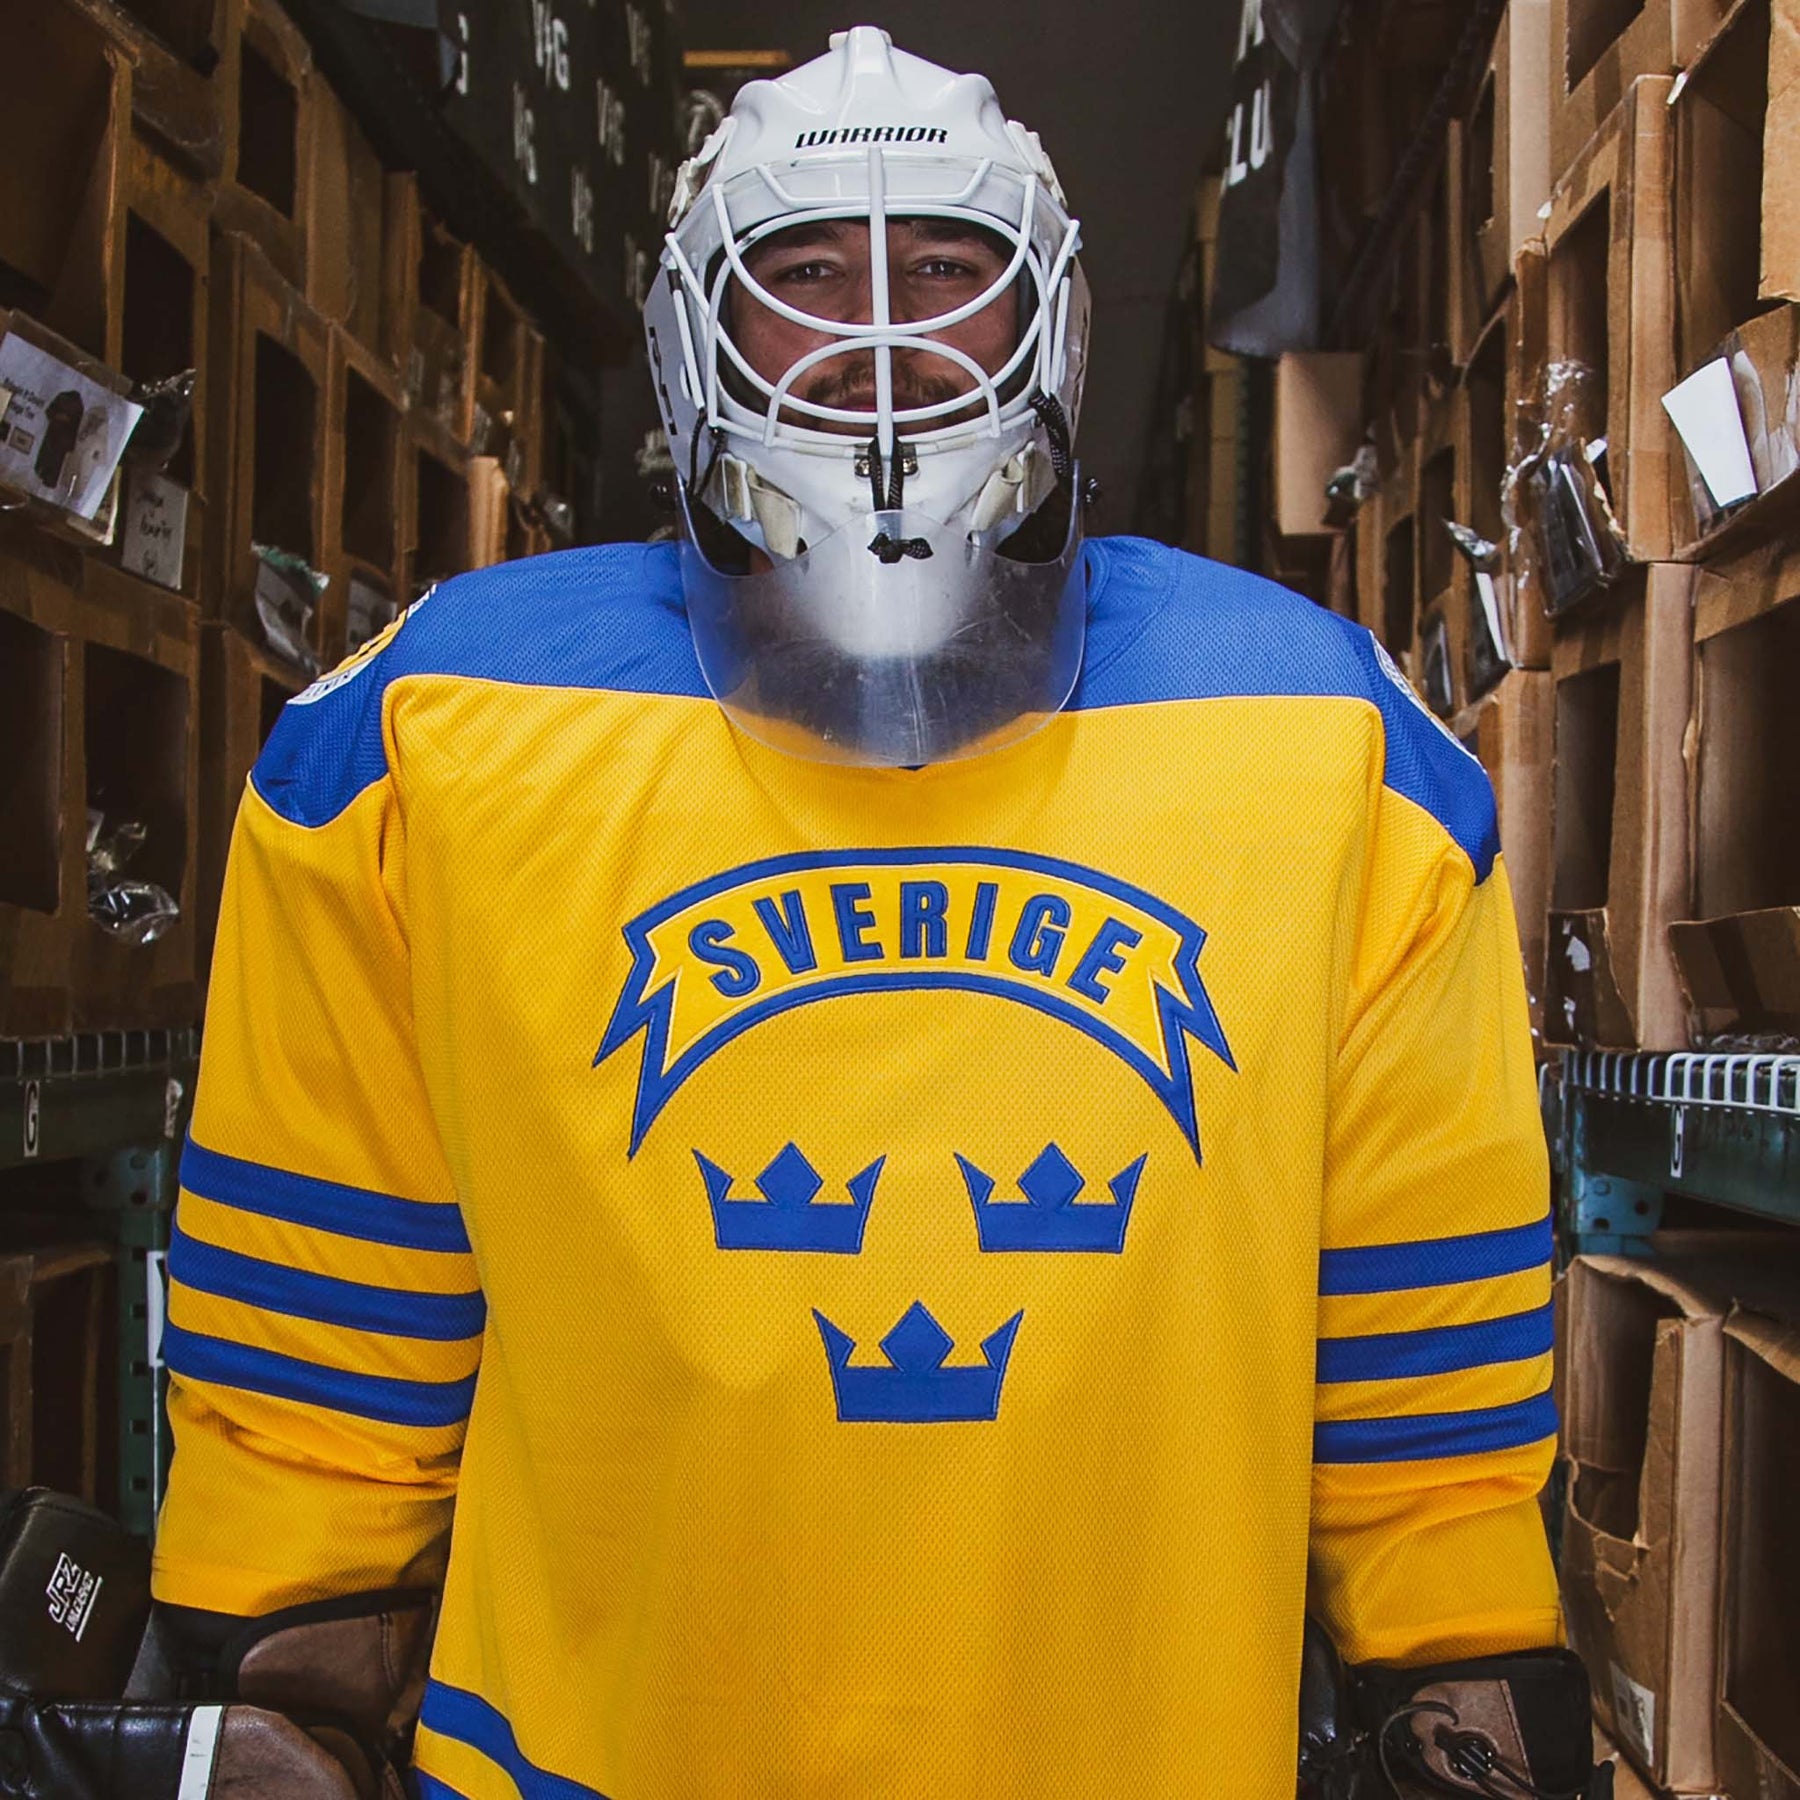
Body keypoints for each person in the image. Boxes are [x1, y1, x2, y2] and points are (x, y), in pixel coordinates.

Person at [7, 28, 1604, 1800]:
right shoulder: (422, 739)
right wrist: (280, 1700)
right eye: (808, 276)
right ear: (694, 339)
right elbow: (320, 1372)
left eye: (944, 271)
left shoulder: (1335, 749)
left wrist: (1466, 1700)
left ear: (1051, 326)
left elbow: (1428, 1417)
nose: (880, 343)